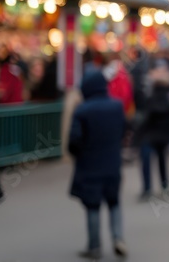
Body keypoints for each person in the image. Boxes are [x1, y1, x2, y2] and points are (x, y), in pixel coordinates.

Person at [68, 71, 127, 260]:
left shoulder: (82, 110)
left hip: (89, 165)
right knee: (114, 202)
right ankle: (118, 238)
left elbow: (74, 140)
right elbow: (125, 130)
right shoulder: (117, 106)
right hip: (112, 163)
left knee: (92, 206)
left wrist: (79, 154)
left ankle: (94, 246)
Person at [136, 55, 169, 201]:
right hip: (147, 129)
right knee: (145, 158)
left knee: (162, 159)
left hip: (162, 129)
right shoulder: (147, 86)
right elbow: (139, 102)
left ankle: (164, 186)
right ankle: (147, 188)